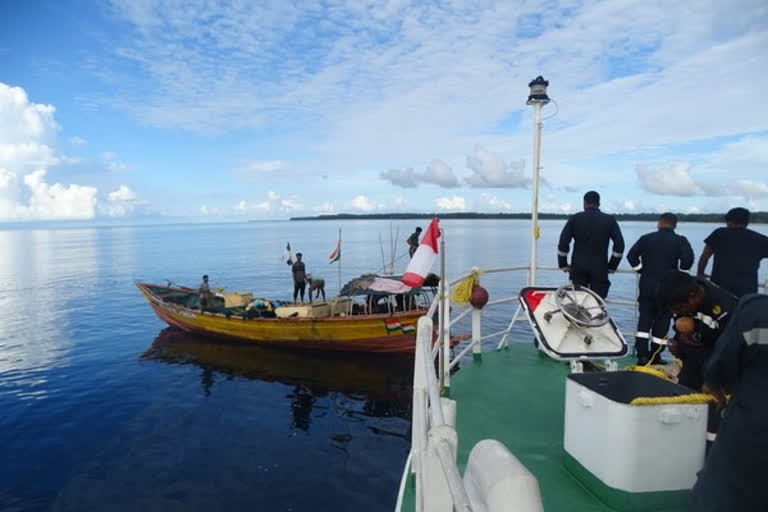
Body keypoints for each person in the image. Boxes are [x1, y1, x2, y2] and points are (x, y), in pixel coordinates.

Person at [689, 294, 768, 512]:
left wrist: (715, 385)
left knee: (721, 490)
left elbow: (725, 358)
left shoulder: (756, 311)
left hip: (754, 418)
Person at [626, 213, 694, 364]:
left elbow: (631, 256)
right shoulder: (680, 240)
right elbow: (688, 260)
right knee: (663, 322)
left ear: (659, 223)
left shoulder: (646, 238)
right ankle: (656, 355)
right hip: (668, 288)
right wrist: (680, 274)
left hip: (647, 286)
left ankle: (642, 355)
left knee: (644, 321)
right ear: (675, 225)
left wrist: (640, 269)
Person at [657, 271, 737, 391]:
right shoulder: (684, 292)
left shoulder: (727, 311)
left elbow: (725, 355)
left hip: (720, 368)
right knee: (683, 392)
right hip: (694, 360)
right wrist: (680, 337)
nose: (677, 314)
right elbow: (681, 319)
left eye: (678, 309)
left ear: (693, 296)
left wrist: (681, 349)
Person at [557, 191, 624, 298]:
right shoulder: (609, 220)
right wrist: (612, 266)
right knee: (598, 304)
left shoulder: (574, 219)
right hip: (600, 269)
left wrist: (563, 263)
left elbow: (563, 243)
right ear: (599, 203)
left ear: (584, 203)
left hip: (578, 269)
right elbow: (619, 246)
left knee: (578, 303)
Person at [697, 207, 768, 297]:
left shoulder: (719, 233)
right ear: (746, 222)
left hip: (720, 286)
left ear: (729, 221)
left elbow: (704, 257)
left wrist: (700, 274)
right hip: (748, 289)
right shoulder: (761, 239)